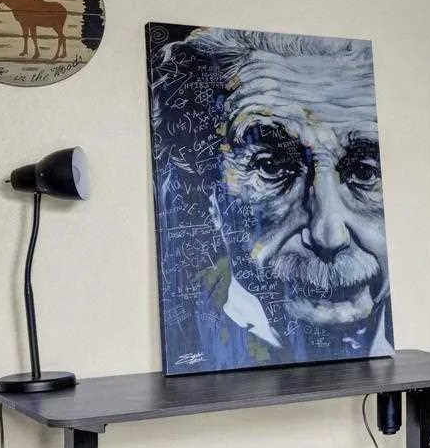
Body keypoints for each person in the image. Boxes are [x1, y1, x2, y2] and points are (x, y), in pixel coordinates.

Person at [150, 26, 391, 369]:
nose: (329, 235)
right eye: (271, 167)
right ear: (209, 190)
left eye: (365, 173)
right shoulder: (192, 344)